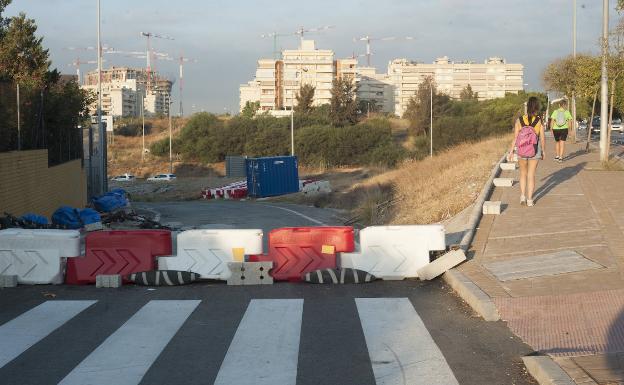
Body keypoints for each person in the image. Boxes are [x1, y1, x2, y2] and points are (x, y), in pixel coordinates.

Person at [508, 96, 545, 207]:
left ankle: (522, 196)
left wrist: (511, 152)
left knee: (523, 174)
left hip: (522, 150)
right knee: (531, 175)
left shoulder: (519, 120)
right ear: (537, 107)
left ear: (527, 106)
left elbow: (515, 138)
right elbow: (542, 138)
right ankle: (530, 200)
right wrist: (544, 151)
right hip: (535, 150)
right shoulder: (538, 121)